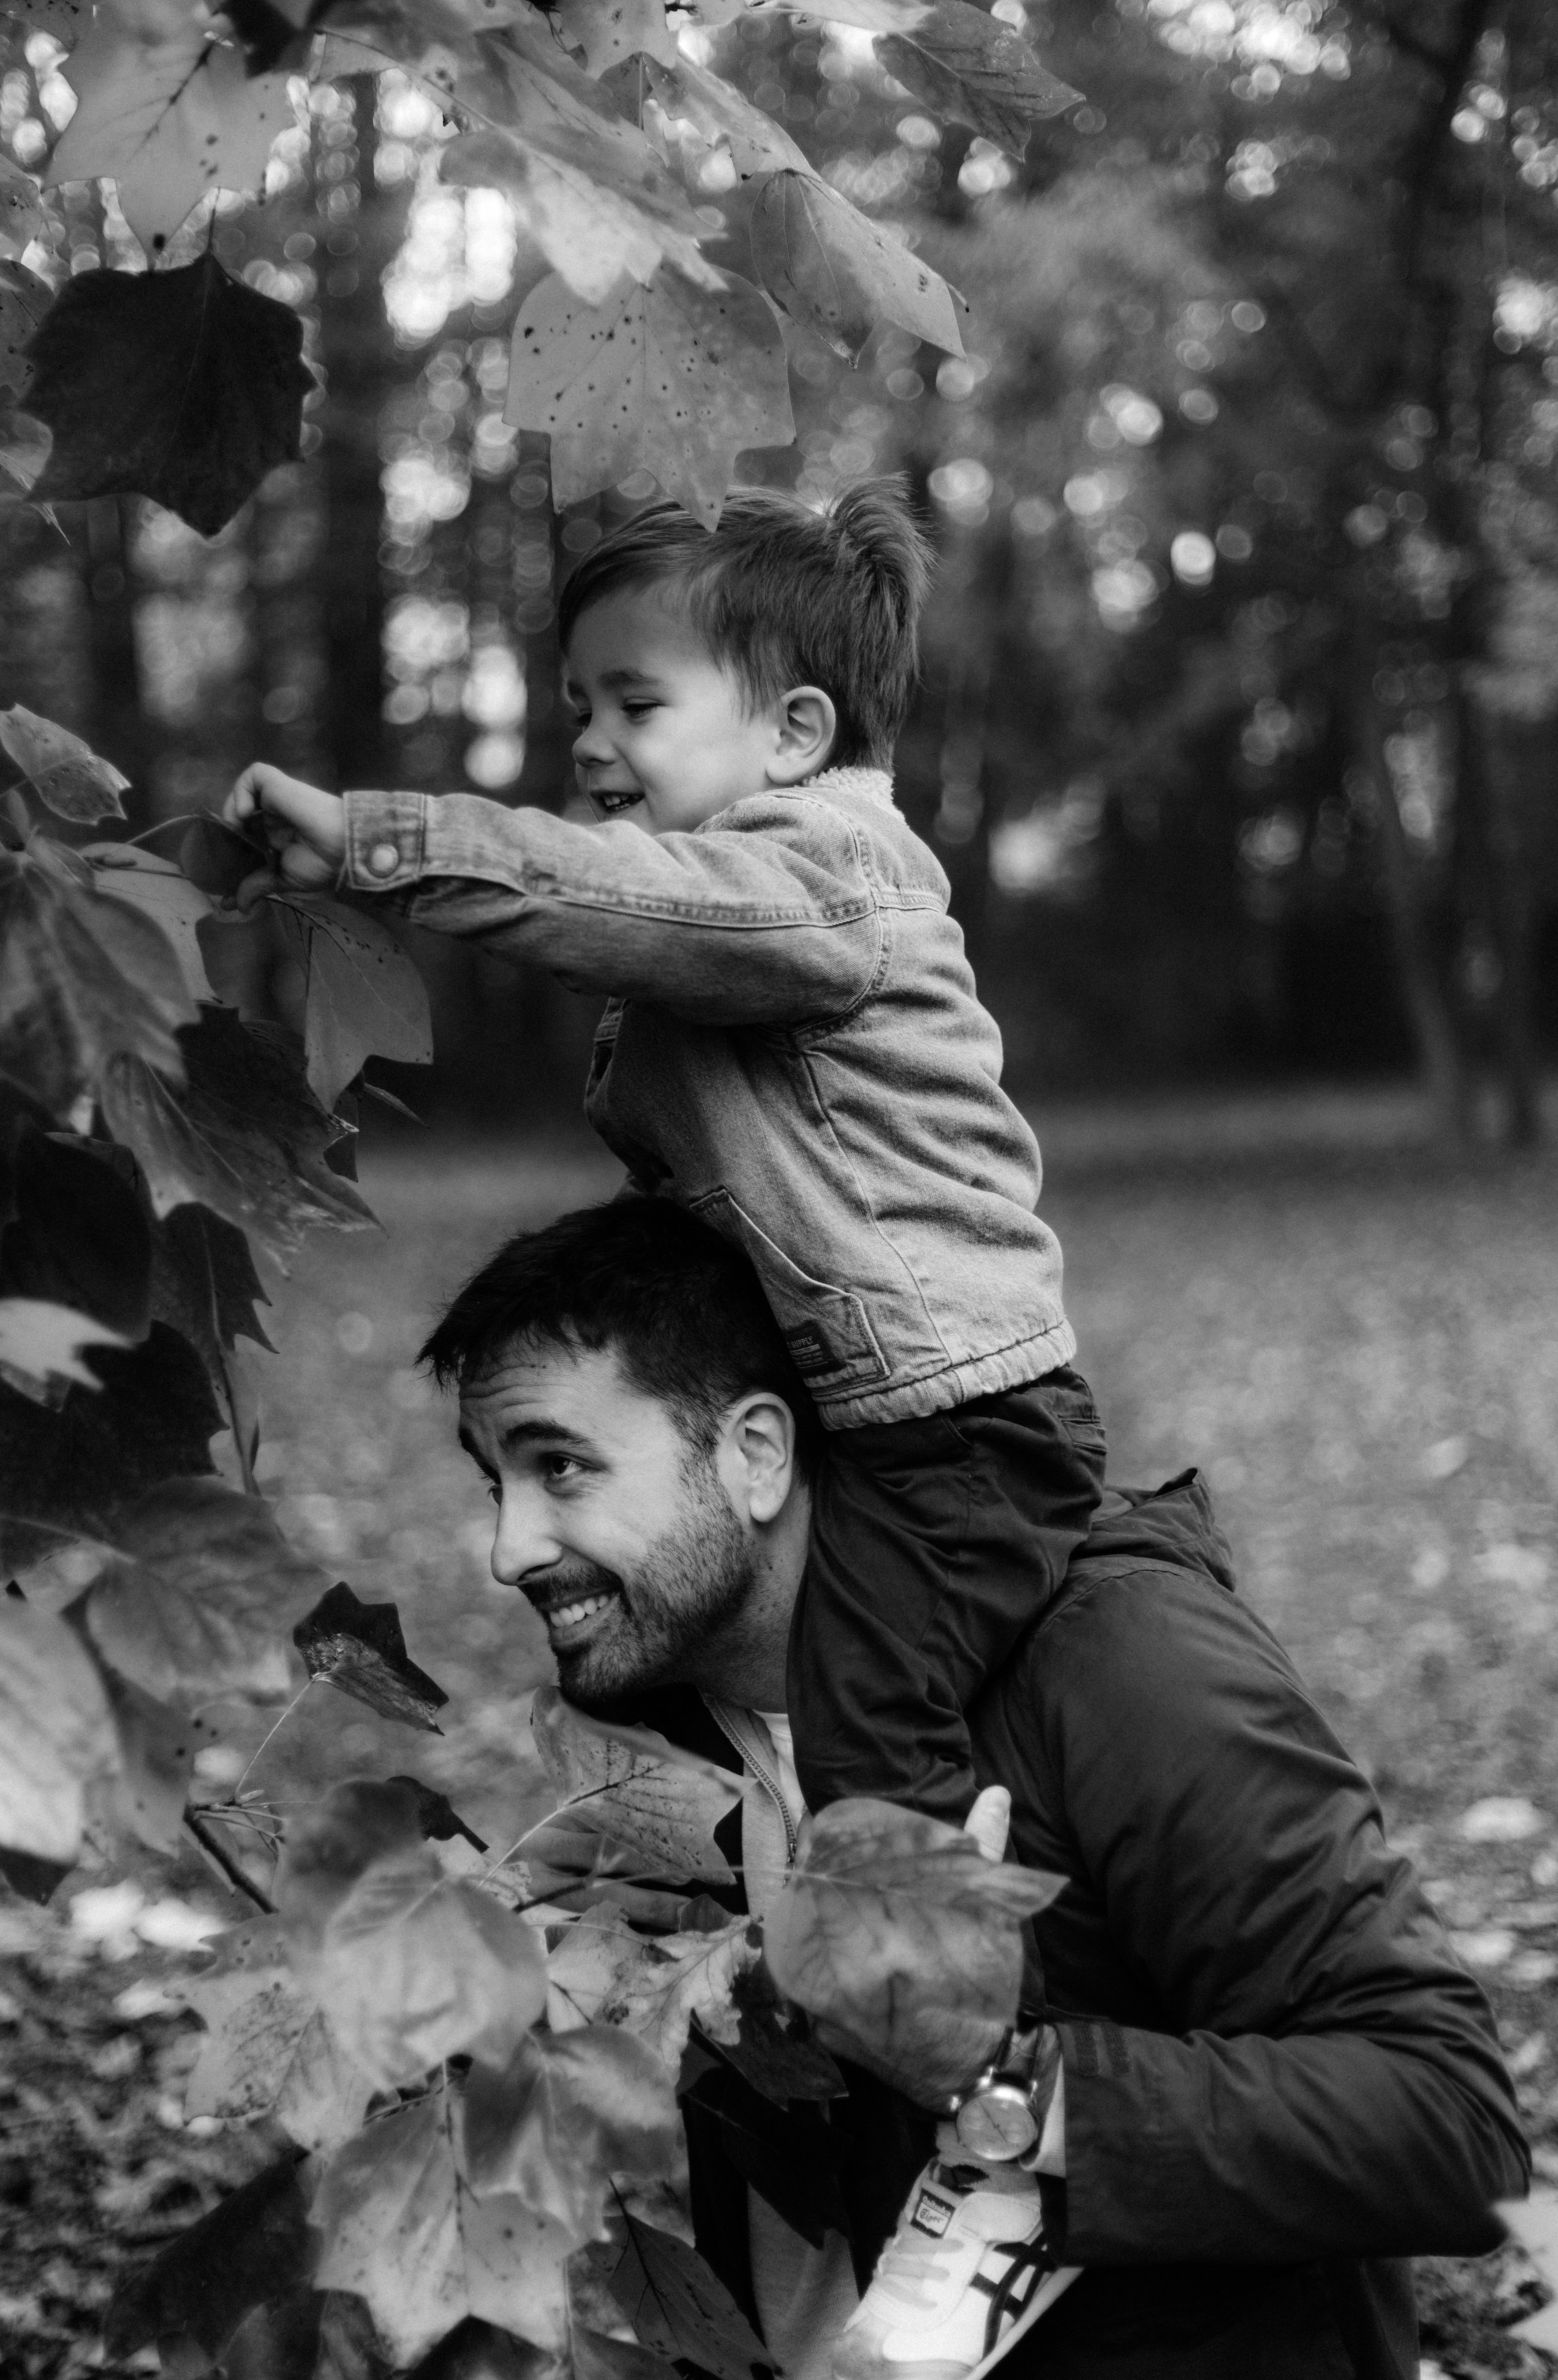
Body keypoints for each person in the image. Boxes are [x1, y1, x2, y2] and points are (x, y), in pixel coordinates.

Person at [222, 481, 1107, 2296]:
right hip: (862, 1408)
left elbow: (614, 893)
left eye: (633, 705)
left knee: (870, 1800)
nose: (592, 746)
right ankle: (757, 2102)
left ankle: (987, 2157)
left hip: (951, 1421)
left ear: (790, 732)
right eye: (576, 710)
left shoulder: (822, 872)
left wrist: (380, 842)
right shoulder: (744, 902)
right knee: (737, 1738)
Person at [416, 1197, 1529, 2380]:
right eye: (497, 1484)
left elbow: (1448, 2123)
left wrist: (996, 2078)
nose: (508, 1548)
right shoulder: (653, 1745)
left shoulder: (1119, 1668)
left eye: (561, 1467)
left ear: (754, 1454)